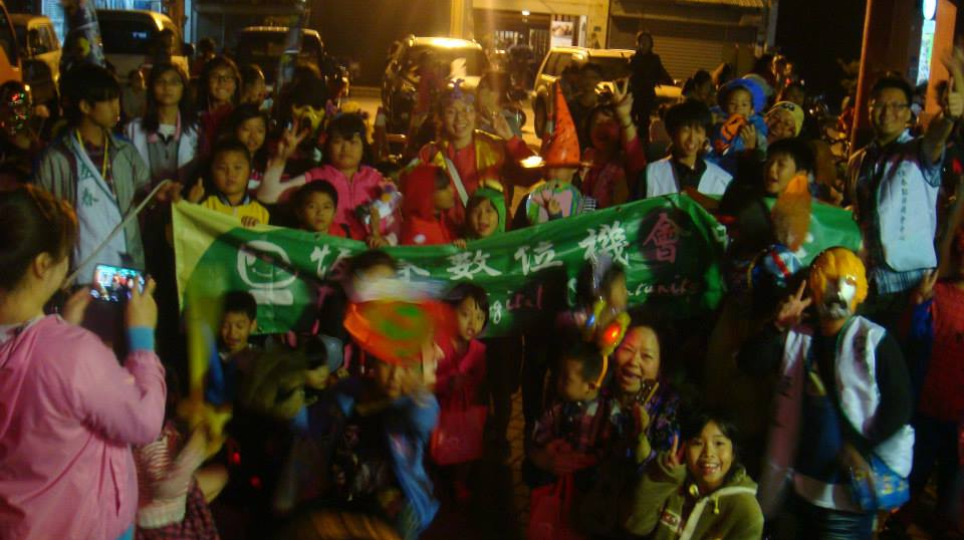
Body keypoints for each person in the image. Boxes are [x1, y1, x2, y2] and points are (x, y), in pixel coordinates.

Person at [0, 185, 166, 540]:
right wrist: (142, 338)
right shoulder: (73, 354)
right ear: (42, 265)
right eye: (66, 254)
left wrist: (64, 328)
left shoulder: (60, 351)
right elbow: (144, 421)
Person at [738, 247, 914, 539]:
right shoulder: (799, 336)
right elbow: (750, 364)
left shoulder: (871, 340)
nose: (837, 290)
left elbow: (900, 404)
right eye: (829, 281)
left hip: (848, 499)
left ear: (860, 291)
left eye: (847, 282)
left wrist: (861, 446)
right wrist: (776, 326)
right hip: (795, 489)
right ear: (816, 288)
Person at [847, 64, 964, 332]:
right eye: (879, 105)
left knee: (903, 354)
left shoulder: (918, 153)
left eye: (897, 106)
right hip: (867, 282)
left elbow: (935, 140)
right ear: (868, 109)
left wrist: (948, 117)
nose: (887, 112)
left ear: (909, 113)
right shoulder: (857, 162)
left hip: (911, 286)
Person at [34, 63, 177, 282]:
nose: (116, 107)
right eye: (108, 101)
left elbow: (142, 192)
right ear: (85, 106)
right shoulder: (56, 158)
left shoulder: (124, 150)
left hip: (125, 265)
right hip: (79, 270)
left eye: (117, 99)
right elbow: (41, 217)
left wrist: (156, 195)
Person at [901, 225, 964, 536]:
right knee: (911, 484)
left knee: (949, 500)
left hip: (958, 422)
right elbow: (912, 339)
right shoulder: (935, 293)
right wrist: (919, 304)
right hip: (926, 410)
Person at [259, 112, 395, 245]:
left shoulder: (376, 180)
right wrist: (281, 158)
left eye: (353, 142)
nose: (345, 148)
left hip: (370, 255)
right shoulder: (317, 177)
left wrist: (388, 240)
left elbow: (396, 221)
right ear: (327, 146)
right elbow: (266, 195)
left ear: (363, 147)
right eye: (337, 141)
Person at [624, 411, 764, 539]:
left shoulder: (746, 512)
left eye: (719, 443)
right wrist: (665, 477)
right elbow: (636, 525)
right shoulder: (673, 482)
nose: (708, 453)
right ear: (685, 448)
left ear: (733, 453)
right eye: (698, 443)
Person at [414, 80, 536, 226]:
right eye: (451, 111)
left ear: (476, 114)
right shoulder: (429, 155)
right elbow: (414, 202)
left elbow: (532, 176)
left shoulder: (494, 148)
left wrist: (511, 140)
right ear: (440, 117)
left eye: (467, 110)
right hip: (449, 238)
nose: (460, 118)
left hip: (492, 237)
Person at [433, 283, 489, 501]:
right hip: (440, 409)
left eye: (479, 317)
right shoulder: (439, 345)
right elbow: (427, 381)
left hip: (466, 411)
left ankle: (460, 482)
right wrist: (447, 383)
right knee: (437, 449)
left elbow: (480, 380)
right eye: (465, 314)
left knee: (466, 449)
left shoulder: (479, 351)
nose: (472, 323)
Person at [611, 323, 680, 467]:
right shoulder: (595, 388)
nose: (633, 361)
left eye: (646, 356)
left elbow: (660, 469)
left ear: (660, 366)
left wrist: (640, 437)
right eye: (627, 349)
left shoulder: (669, 407)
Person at [636, 99, 732, 199]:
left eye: (698, 130)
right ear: (672, 133)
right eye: (685, 130)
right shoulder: (651, 174)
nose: (692, 138)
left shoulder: (722, 180)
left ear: (705, 135)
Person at [125, 62, 200, 186]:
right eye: (160, 82)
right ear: (151, 88)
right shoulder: (133, 129)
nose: (167, 87)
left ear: (183, 88)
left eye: (174, 82)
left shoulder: (195, 130)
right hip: (145, 197)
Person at [578, 80, 646, 209]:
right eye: (597, 123)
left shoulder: (626, 162)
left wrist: (625, 117)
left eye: (609, 123)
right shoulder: (586, 159)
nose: (602, 128)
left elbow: (633, 149)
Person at [188, 138, 269, 227]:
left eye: (237, 167)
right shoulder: (205, 206)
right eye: (222, 168)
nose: (230, 174)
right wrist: (191, 205)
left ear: (250, 171)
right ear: (212, 172)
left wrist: (257, 229)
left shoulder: (262, 213)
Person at [206, 290, 261, 407]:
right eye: (225, 326)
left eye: (239, 326)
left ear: (252, 326)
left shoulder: (258, 358)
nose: (232, 333)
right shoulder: (212, 356)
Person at [399, 164, 460, 246]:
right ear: (426, 193)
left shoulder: (446, 220)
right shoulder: (415, 228)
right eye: (444, 188)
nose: (452, 190)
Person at [629, 31, 674, 141]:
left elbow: (661, 72)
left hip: (647, 95)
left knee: (644, 122)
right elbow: (627, 74)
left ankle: (643, 143)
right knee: (631, 121)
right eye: (642, 41)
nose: (644, 43)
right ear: (638, 43)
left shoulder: (654, 59)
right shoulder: (633, 59)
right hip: (634, 95)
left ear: (650, 44)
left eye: (646, 41)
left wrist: (670, 82)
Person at [197, 56, 240, 158]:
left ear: (235, 85)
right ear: (206, 82)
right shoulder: (195, 116)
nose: (222, 82)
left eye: (228, 77)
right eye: (215, 76)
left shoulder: (239, 117)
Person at [222, 104, 269, 194]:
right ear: (234, 129)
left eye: (260, 131)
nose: (253, 136)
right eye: (246, 129)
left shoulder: (268, 164)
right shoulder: (222, 162)